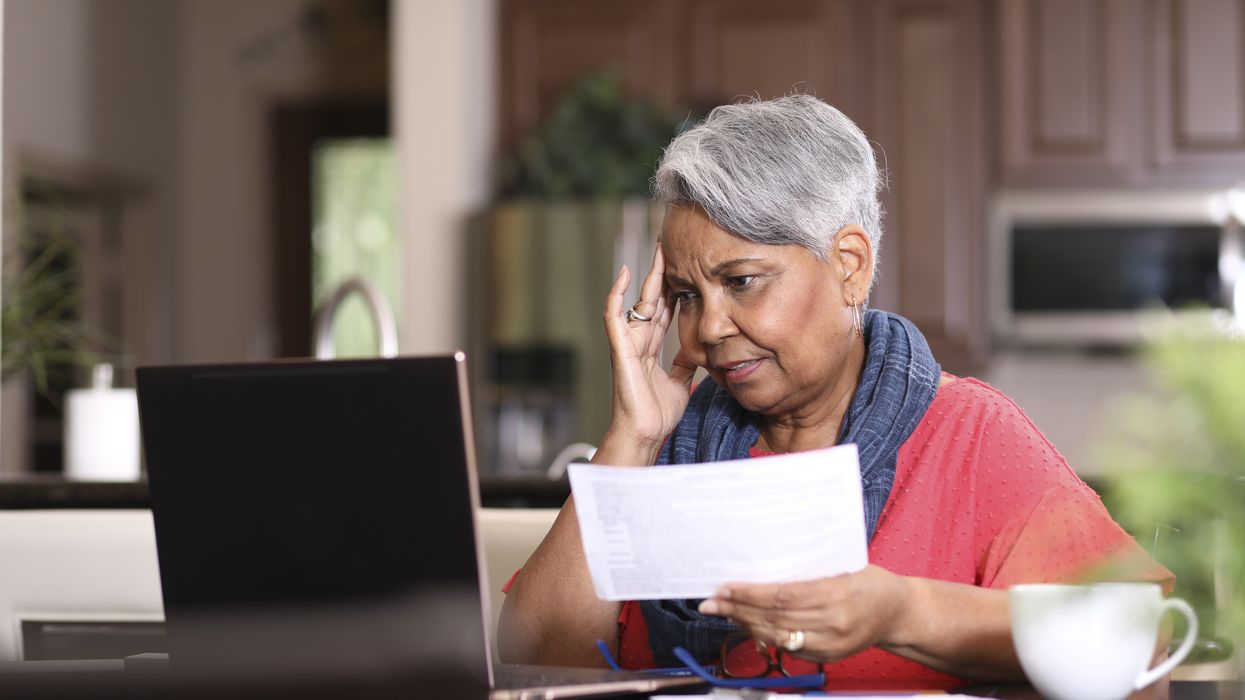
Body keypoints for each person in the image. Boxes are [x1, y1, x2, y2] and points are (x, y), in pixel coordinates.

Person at [497, 95, 1171, 687]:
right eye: (683, 295)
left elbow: (1133, 639)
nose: (706, 328)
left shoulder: (966, 434)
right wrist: (632, 439)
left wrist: (903, 612)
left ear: (848, 265)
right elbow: (528, 662)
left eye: (741, 282)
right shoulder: (659, 451)